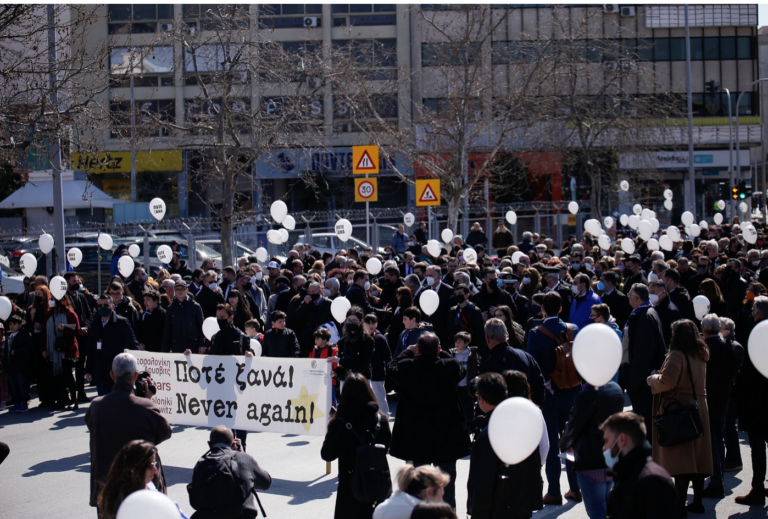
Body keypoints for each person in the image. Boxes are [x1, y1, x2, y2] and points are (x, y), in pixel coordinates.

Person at [388, 332, 468, 508]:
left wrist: (408, 352)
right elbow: (461, 371)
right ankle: (447, 511)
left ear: (418, 349)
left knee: (419, 480)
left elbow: (391, 367)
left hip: (417, 435)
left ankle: (420, 512)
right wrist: (442, 352)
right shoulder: (450, 366)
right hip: (445, 435)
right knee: (446, 480)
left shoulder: (407, 367)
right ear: (438, 349)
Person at [86, 353, 172, 513]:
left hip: (107, 490)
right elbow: (164, 432)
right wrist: (148, 398)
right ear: (136, 376)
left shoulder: (96, 407)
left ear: (112, 375)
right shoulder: (145, 407)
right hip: (138, 490)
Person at [647, 319, 713, 514]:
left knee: (681, 459)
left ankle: (678, 506)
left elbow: (667, 382)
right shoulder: (701, 353)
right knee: (698, 458)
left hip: (679, 408)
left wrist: (652, 379)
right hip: (698, 406)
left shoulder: (677, 354)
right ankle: (697, 502)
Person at [526, 291, 581, 505]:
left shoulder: (536, 333)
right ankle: (576, 489)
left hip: (549, 395)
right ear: (560, 308)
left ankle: (554, 491)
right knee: (570, 442)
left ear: (542, 309)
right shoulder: (572, 329)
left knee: (550, 445)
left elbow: (532, 366)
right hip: (572, 392)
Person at [322, 373, 392, 519]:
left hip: (350, 489)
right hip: (377, 485)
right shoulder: (381, 421)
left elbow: (327, 454)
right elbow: (388, 446)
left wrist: (332, 427)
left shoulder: (339, 423)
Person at [559, 379, 625, 519]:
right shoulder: (616, 389)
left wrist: (564, 444)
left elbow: (573, 427)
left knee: (597, 513)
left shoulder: (587, 395)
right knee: (606, 508)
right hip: (611, 458)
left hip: (591, 462)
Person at [601, 412, 679, 519]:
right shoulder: (629, 472)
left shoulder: (652, 482)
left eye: (606, 441)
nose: (604, 448)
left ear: (622, 439)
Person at [188, 426, 271, 519]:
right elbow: (266, 482)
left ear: (209, 443)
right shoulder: (243, 458)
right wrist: (242, 454)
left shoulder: (201, 463)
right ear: (233, 444)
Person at [734, 295, 768, 506]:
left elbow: (750, 371)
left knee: (757, 445)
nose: (751, 312)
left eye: (754, 309)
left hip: (759, 401)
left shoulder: (759, 334)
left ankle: (757, 489)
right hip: (760, 398)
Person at [97, 440, 186, 519]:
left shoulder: (147, 486)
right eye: (150, 465)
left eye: (154, 464)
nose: (155, 471)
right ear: (136, 467)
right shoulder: (125, 501)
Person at [699, 314, 736, 499]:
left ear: (704, 329)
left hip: (710, 401)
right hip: (723, 400)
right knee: (718, 441)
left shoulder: (706, 348)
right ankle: (718, 478)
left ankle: (716, 483)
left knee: (712, 443)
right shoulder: (729, 345)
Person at [622, 284, 666, 435]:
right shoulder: (645, 312)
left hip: (641, 381)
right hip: (641, 378)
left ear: (636, 298)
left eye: (629, 294)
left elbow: (643, 353)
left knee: (644, 420)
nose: (627, 297)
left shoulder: (644, 317)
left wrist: (633, 379)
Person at [481, 318, 545, 408]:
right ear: (507, 335)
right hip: (527, 410)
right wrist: (536, 407)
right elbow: (540, 383)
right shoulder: (526, 356)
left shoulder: (490, 363)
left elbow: (487, 395)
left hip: (503, 415)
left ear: (487, 338)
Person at [85, 293, 140, 396]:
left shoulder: (121, 322)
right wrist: (88, 370)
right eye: (100, 306)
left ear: (112, 306)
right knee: (103, 405)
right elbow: (91, 348)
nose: (102, 308)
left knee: (118, 404)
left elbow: (133, 344)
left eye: (105, 305)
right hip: (100, 371)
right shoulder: (95, 323)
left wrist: (132, 365)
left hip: (118, 371)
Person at [373, 464, 450, 519]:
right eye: (441, 495)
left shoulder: (382, 508)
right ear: (429, 492)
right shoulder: (423, 515)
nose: (442, 501)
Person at [45, 294, 81, 410]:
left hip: (67, 350)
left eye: (54, 300)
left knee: (68, 376)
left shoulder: (70, 314)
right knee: (58, 376)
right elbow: (44, 333)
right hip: (54, 350)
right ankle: (60, 400)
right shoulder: (50, 314)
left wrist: (64, 329)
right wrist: (43, 349)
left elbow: (76, 330)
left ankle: (74, 401)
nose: (52, 302)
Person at [161, 280, 205, 354]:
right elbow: (167, 330)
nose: (180, 291)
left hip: (193, 344)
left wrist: (202, 344)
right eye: (177, 289)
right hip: (177, 345)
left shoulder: (195, 306)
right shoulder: (171, 308)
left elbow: (201, 326)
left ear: (187, 290)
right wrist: (165, 349)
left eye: (182, 289)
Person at [293, 281, 334, 356]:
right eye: (309, 291)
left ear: (320, 291)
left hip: (324, 338)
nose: (311, 293)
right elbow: (297, 317)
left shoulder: (328, 303)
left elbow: (333, 321)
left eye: (314, 291)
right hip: (309, 338)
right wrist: (305, 305)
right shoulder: (305, 302)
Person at [334, 306, 375, 382]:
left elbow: (362, 365)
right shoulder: (343, 341)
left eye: (354, 320)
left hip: (361, 380)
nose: (351, 322)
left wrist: (341, 361)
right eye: (349, 320)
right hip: (345, 380)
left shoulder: (367, 340)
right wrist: (336, 372)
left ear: (361, 321)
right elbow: (341, 362)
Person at [364, 313, 392, 416]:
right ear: (363, 324)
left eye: (373, 323)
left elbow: (388, 356)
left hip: (377, 374)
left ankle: (385, 418)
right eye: (368, 323)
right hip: (364, 374)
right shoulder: (361, 337)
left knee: (380, 398)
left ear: (377, 324)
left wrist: (389, 369)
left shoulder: (380, 338)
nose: (371, 326)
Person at [449, 332, 478, 424]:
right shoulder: (452, 354)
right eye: (456, 341)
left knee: (468, 405)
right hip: (456, 385)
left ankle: (470, 423)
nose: (457, 344)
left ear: (466, 343)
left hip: (467, 384)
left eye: (460, 342)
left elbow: (476, 369)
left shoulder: (471, 355)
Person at [6, 315, 32, 412]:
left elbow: (28, 349)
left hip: (21, 366)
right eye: (10, 324)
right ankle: (16, 402)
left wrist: (17, 351)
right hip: (12, 365)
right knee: (14, 386)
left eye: (14, 324)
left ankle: (24, 403)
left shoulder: (24, 335)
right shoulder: (10, 336)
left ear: (20, 325)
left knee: (22, 385)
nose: (12, 327)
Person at [648, 279, 681, 347]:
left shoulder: (671, 311)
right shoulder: (655, 307)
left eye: (653, 292)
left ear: (663, 293)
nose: (650, 295)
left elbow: (671, 336)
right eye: (649, 293)